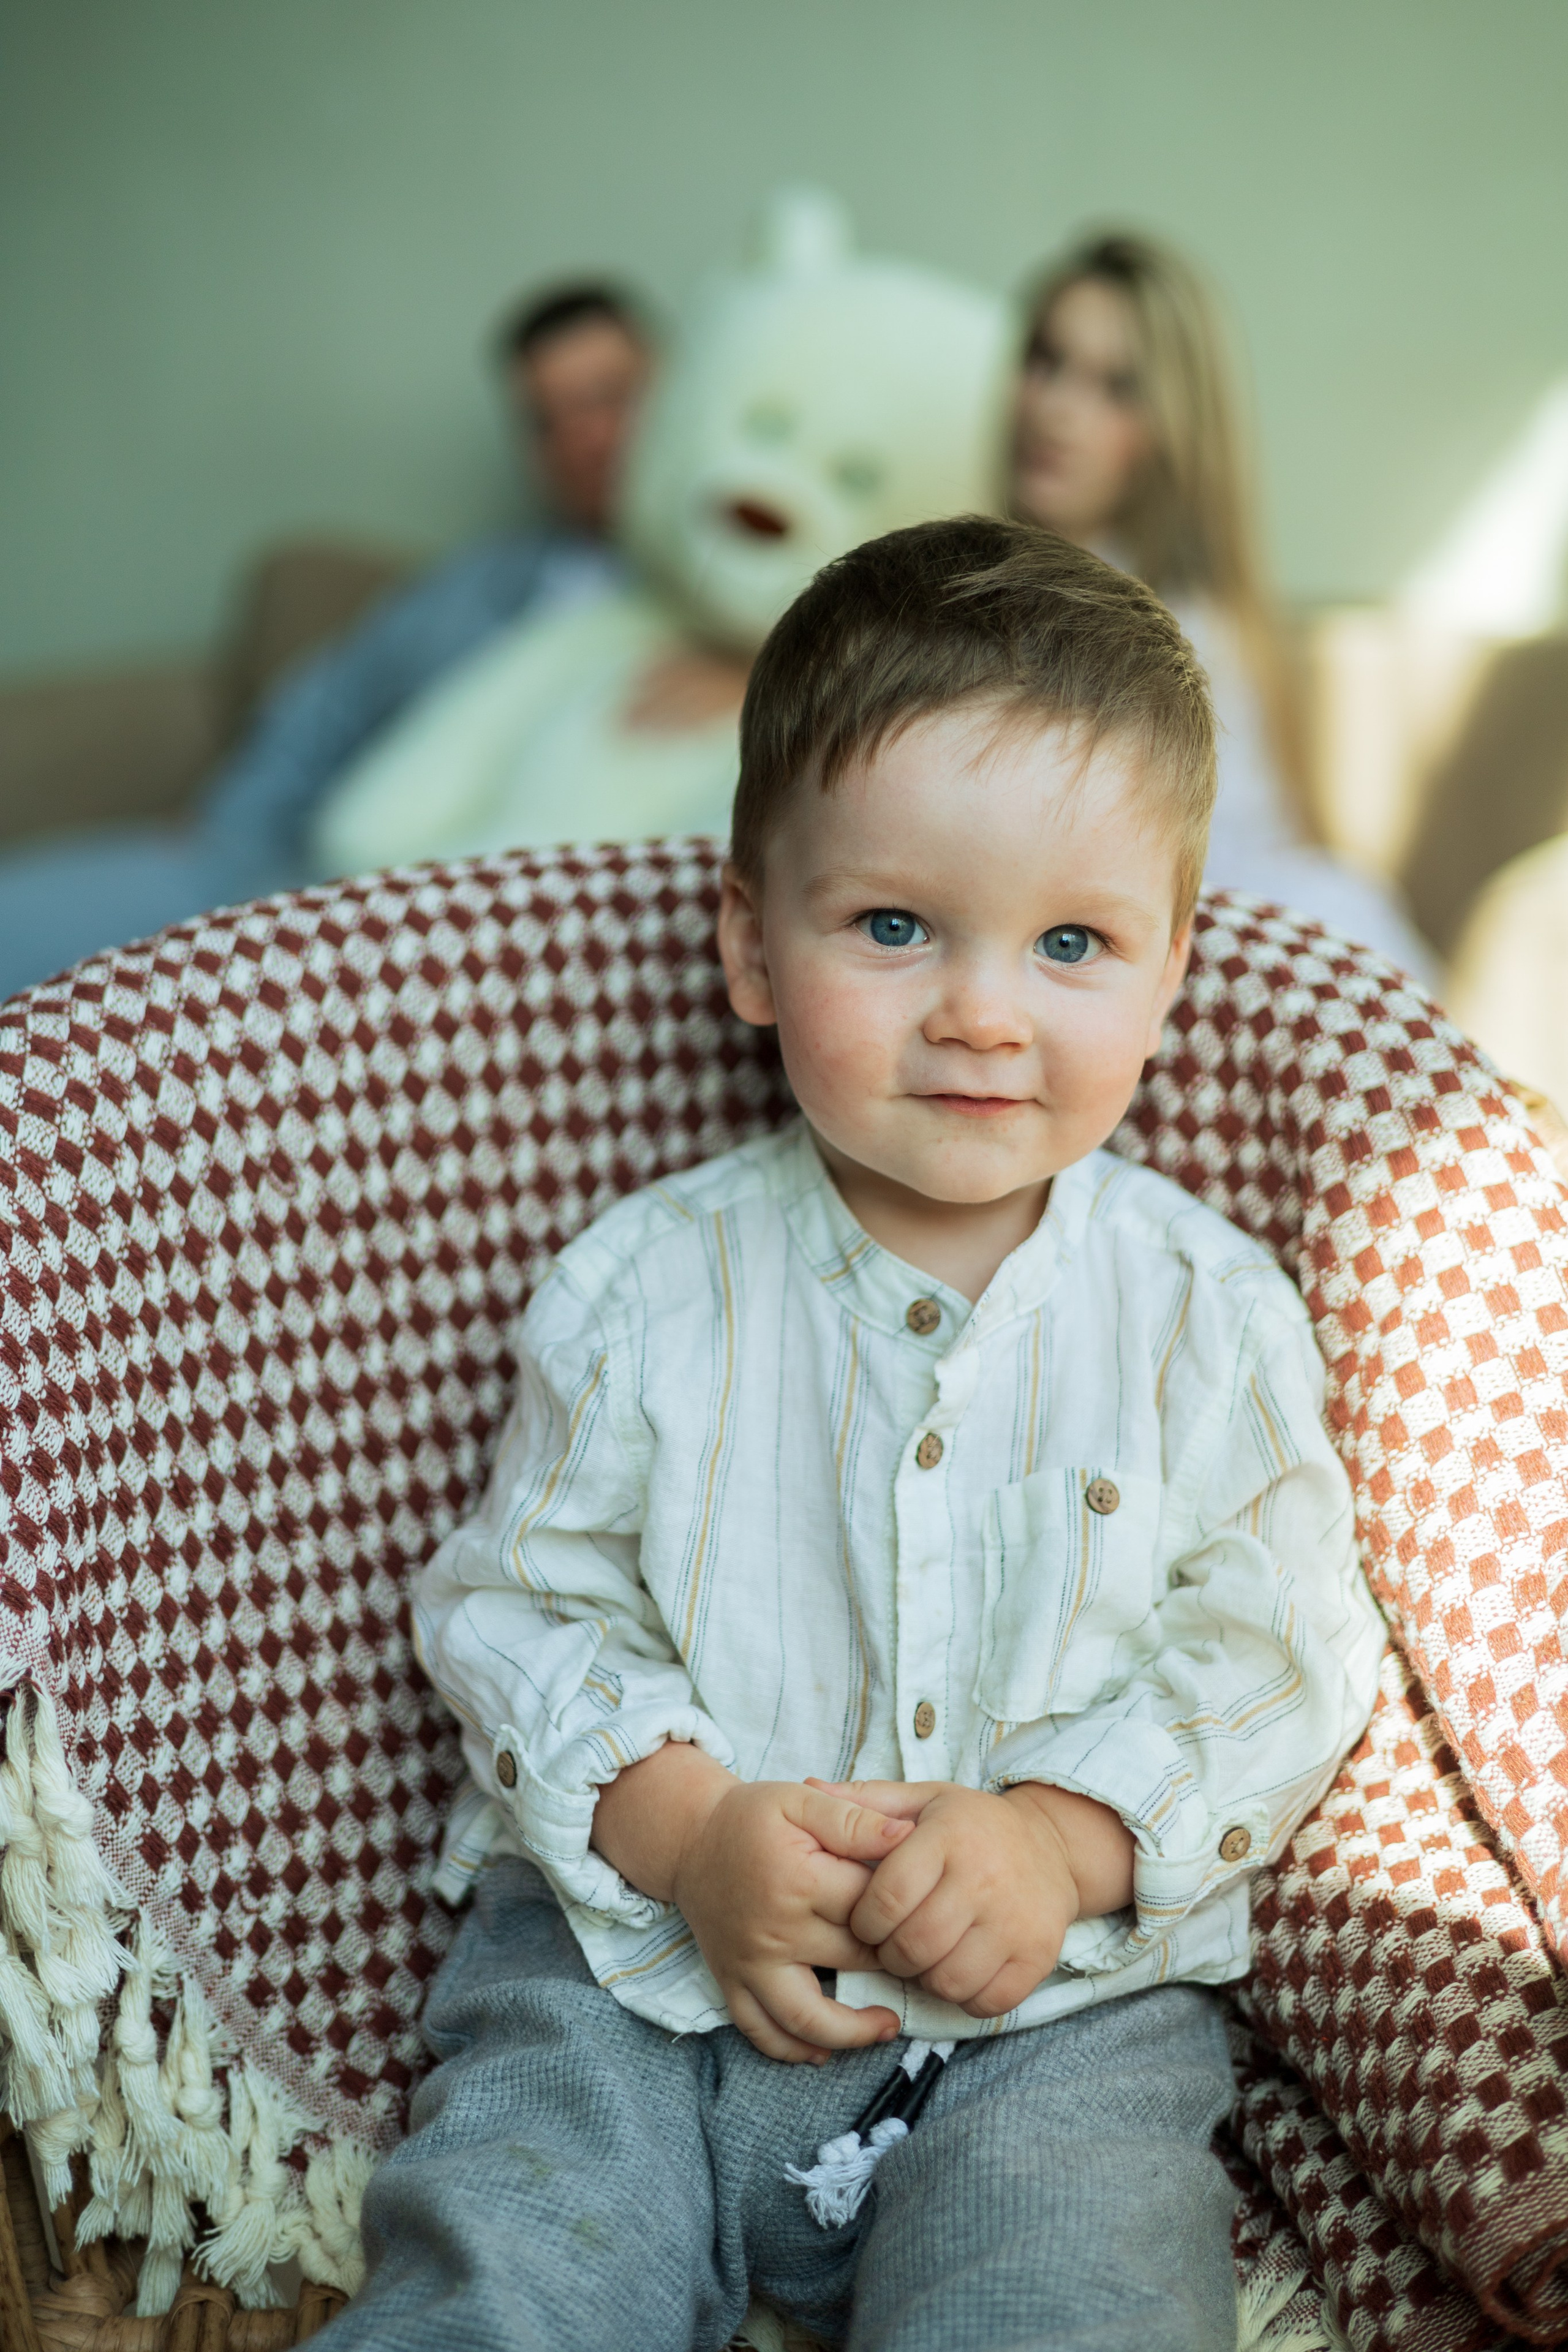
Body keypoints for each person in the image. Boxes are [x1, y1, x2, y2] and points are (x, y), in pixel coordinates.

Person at [317, 518, 1385, 2352]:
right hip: (633, 1975)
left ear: (1168, 971)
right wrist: (694, 1828)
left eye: (1069, 942)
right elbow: (514, 1606)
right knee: (507, 2257)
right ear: (750, 939)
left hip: (1055, 2020)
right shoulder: (642, 1289)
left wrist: (1062, 1837)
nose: (978, 1007)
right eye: (893, 925)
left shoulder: (1203, 1313)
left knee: (1074, 2294)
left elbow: (1281, 1643)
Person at [0, 281, 653, 1000]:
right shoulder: (473, 582)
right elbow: (328, 701)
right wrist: (227, 818)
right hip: (272, 864)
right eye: (543, 420)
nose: (580, 439)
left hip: (426, 937)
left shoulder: (725, 621)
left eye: (605, 397)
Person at [1011, 230, 1439, 986]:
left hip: (1243, 950)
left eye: (1117, 388)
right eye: (1047, 362)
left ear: (1172, 428)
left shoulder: (1177, 626)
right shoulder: (981, 591)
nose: (1056, 411)